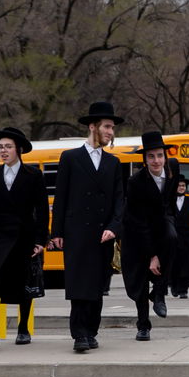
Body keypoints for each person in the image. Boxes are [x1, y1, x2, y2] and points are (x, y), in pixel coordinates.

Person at [49, 102, 126, 354]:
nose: (111, 132)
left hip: (103, 234)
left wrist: (115, 227)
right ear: (92, 127)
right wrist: (56, 231)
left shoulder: (114, 163)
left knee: (97, 285)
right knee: (78, 284)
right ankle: (79, 333)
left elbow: (119, 200)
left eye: (112, 128)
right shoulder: (70, 158)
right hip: (76, 232)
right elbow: (61, 197)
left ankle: (91, 331)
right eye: (107, 126)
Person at [0, 127, 48, 346]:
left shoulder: (33, 175)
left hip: (25, 237)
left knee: (24, 284)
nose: (3, 151)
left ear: (19, 149)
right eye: (0, 147)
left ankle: (23, 329)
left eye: (8, 147)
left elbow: (42, 211)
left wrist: (41, 241)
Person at [122, 132, 176, 341]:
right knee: (142, 279)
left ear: (165, 156)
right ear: (144, 159)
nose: (156, 161)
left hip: (162, 223)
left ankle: (160, 293)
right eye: (151, 156)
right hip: (137, 232)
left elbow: (170, 203)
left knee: (173, 239)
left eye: (160, 155)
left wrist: (171, 225)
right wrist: (152, 255)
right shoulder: (135, 182)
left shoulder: (173, 170)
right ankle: (143, 325)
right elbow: (139, 222)